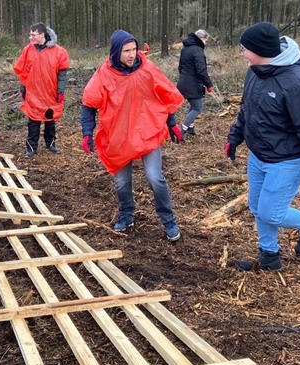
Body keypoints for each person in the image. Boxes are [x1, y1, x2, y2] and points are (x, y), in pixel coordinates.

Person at [225, 22, 300, 272]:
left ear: (260, 50)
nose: (241, 52)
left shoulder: (297, 83)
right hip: (259, 155)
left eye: (244, 48)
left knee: (272, 213)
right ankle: (269, 256)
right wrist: (235, 137)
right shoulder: (255, 71)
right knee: (257, 207)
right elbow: (246, 110)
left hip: (288, 160)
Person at [81, 29, 185, 241]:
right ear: (116, 51)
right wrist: (86, 133)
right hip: (117, 136)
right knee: (121, 182)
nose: (132, 54)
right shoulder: (104, 74)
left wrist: (172, 123)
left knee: (155, 178)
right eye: (127, 50)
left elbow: (165, 93)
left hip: (148, 130)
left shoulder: (147, 69)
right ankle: (127, 215)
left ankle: (169, 220)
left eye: (134, 49)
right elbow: (88, 104)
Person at [13, 23, 70, 157]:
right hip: (33, 93)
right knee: (33, 122)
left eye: (33, 34)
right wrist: (23, 88)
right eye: (30, 34)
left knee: (50, 121)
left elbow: (62, 74)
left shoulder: (59, 52)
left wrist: (60, 91)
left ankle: (51, 144)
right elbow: (23, 71)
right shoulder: (27, 50)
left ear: (42, 34)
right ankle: (31, 148)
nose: (30, 37)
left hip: (50, 93)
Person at [176, 29, 214, 136]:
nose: (205, 43)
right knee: (197, 108)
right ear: (202, 39)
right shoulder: (197, 50)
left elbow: (180, 67)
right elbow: (201, 70)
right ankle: (181, 132)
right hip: (192, 84)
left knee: (193, 106)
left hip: (183, 82)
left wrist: (184, 78)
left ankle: (190, 129)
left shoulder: (185, 49)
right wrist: (208, 84)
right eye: (206, 40)